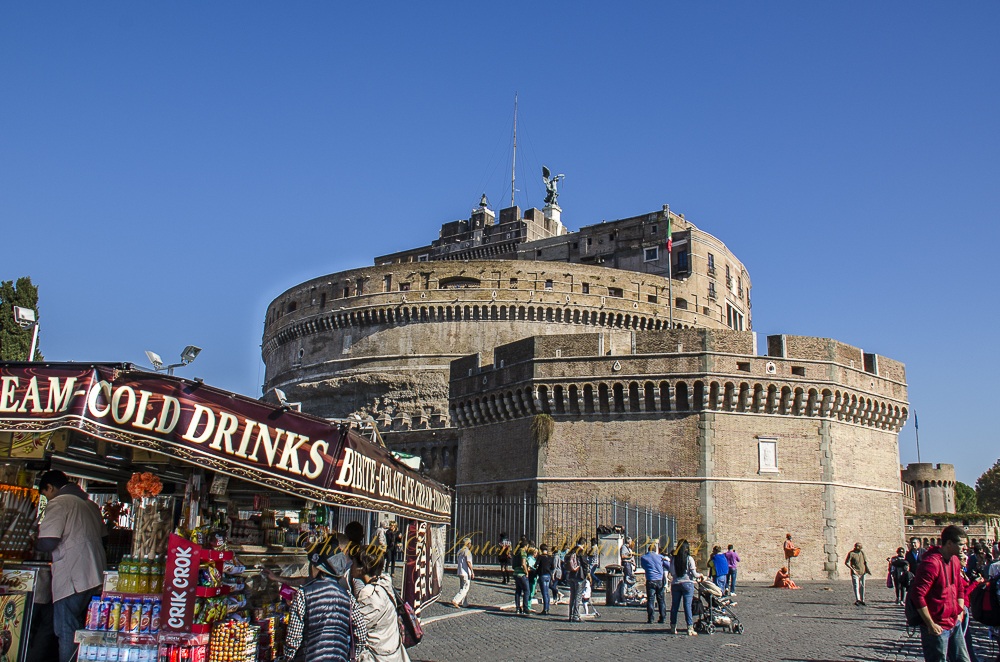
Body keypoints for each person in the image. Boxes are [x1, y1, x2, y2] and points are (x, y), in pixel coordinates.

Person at [35, 470, 108, 662]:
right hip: (94, 574)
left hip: (73, 576)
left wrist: (33, 541)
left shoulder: (60, 503)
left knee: (66, 627)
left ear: (50, 488)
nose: (47, 498)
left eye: (45, 494)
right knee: (80, 625)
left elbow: (48, 541)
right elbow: (104, 536)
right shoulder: (90, 505)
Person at [285, 535, 362, 662]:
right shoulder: (348, 597)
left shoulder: (303, 594)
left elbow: (294, 637)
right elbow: (360, 631)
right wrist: (351, 654)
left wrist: (289, 656)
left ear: (319, 568)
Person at [910, 525, 971, 662]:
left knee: (963, 659)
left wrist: (959, 612)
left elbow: (959, 587)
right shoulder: (931, 564)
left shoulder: (955, 560)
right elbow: (918, 595)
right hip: (937, 625)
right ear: (949, 543)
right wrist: (930, 624)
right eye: (961, 544)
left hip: (953, 621)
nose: (965, 548)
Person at [351, 546, 410, 662]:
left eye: (353, 563)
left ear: (362, 568)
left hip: (378, 654)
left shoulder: (369, 595)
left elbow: (359, 627)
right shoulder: (384, 583)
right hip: (392, 649)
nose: (351, 567)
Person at [669, 539, 701, 635]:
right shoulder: (689, 559)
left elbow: (672, 572)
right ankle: (690, 628)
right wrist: (701, 576)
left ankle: (673, 627)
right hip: (687, 584)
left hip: (676, 584)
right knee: (687, 606)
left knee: (675, 606)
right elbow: (694, 574)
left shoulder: (673, 559)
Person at [639, 541, 668, 624]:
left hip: (650, 580)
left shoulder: (644, 557)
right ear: (656, 550)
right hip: (659, 580)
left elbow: (644, 567)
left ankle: (651, 618)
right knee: (661, 600)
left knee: (651, 600)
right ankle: (663, 617)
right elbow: (668, 566)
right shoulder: (660, 557)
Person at [565, 539, 589, 623]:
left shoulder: (572, 550)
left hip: (571, 575)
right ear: (584, 544)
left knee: (572, 596)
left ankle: (571, 614)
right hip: (579, 575)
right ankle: (575, 615)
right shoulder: (581, 551)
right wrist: (587, 574)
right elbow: (585, 564)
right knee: (578, 596)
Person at [451, 537, 474, 608]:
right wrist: (472, 571)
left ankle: (465, 603)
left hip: (460, 571)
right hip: (465, 572)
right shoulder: (467, 552)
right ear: (468, 544)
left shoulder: (460, 551)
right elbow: (468, 562)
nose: (470, 544)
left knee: (462, 587)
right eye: (470, 543)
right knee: (465, 588)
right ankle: (456, 600)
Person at [534, 544, 555, 615]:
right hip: (548, 575)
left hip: (542, 575)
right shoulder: (550, 557)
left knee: (544, 593)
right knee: (547, 593)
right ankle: (547, 608)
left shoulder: (540, 557)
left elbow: (536, 565)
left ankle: (545, 609)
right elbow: (553, 567)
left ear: (541, 549)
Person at [513, 540, 532, 615]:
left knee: (518, 591)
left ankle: (518, 608)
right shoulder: (523, 552)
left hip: (515, 573)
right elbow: (523, 563)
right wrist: (526, 572)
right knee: (527, 591)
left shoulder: (516, 552)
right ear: (526, 546)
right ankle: (525, 608)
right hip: (521, 574)